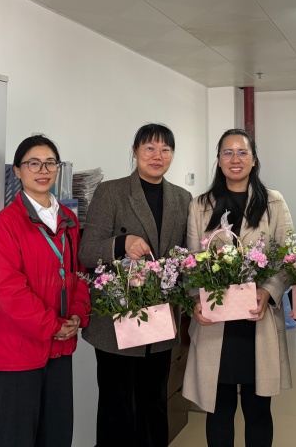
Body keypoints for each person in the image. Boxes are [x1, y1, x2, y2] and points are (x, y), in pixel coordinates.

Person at [79, 123, 192, 447]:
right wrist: (121, 243)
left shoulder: (182, 198)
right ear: (135, 151)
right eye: (149, 148)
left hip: (160, 321)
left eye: (165, 149)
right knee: (117, 409)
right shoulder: (111, 192)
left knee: (153, 405)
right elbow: (86, 252)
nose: (157, 156)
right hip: (116, 323)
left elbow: (186, 257)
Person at [183, 129, 293, 447]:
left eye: (243, 152)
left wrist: (269, 291)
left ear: (254, 159)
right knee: (219, 409)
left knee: (258, 410)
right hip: (215, 323)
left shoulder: (273, 202)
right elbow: (191, 263)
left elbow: (287, 258)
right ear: (218, 160)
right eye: (228, 152)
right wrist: (195, 301)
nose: (235, 159)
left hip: (256, 320)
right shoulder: (200, 205)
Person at [0, 134, 90, 447]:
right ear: (17, 170)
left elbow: (79, 274)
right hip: (19, 352)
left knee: (57, 437)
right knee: (17, 440)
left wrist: (78, 315)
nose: (43, 170)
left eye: (50, 163)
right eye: (33, 163)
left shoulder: (68, 219)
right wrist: (51, 325)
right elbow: (6, 289)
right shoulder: (7, 223)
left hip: (60, 348)